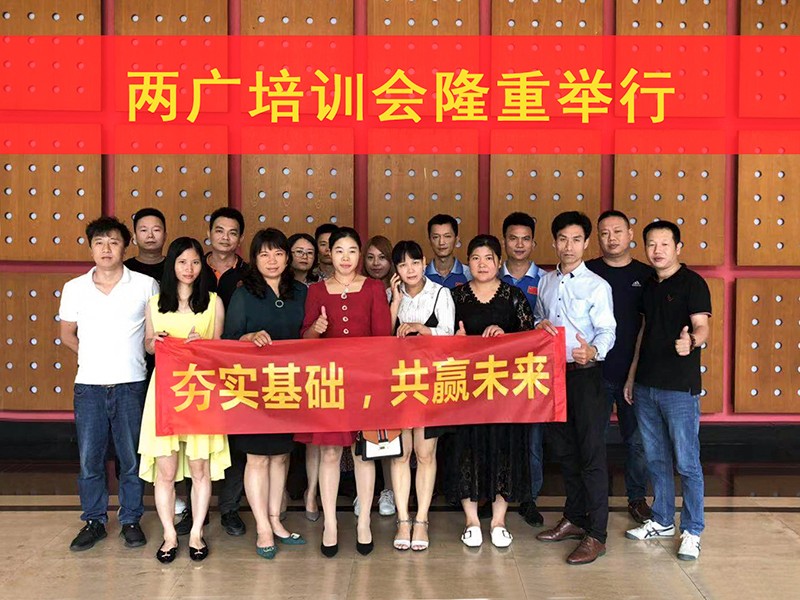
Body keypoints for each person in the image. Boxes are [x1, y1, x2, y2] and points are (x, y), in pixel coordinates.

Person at [59, 216, 158, 552]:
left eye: (113, 242)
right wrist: (92, 355)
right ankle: (94, 521)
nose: (106, 249)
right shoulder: (74, 288)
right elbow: (66, 334)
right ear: (90, 248)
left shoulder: (145, 285)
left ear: (125, 247)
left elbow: (152, 336)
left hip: (131, 384)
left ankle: (130, 519)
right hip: (89, 386)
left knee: (131, 459)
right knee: (91, 459)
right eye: (99, 242)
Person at [298, 227, 392, 558]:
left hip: (365, 383)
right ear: (330, 254)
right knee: (329, 454)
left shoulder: (374, 288)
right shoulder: (317, 290)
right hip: (330, 383)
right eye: (339, 250)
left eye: (352, 251)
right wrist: (316, 329)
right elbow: (305, 338)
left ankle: (364, 522)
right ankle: (331, 524)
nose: (346, 257)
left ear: (359, 254)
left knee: (364, 453)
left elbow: (383, 337)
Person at [138, 237, 229, 563]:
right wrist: (156, 342)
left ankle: (196, 533)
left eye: (194, 262)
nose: (189, 268)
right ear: (171, 266)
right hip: (165, 393)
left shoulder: (213, 303)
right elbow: (148, 345)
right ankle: (169, 535)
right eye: (182, 262)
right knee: (165, 470)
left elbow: (219, 349)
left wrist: (201, 345)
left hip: (200, 393)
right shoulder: (154, 304)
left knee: (199, 468)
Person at [624, 221, 710, 562]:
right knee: (655, 458)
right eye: (651, 244)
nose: (657, 250)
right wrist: (632, 376)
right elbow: (643, 332)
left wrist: (692, 341)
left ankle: (692, 530)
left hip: (679, 388)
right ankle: (661, 520)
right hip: (646, 385)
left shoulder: (693, 283)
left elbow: (702, 326)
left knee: (687, 462)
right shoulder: (648, 285)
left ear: (678, 248)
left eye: (664, 244)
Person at [534, 211, 616, 565]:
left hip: (586, 375)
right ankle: (574, 517)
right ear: (554, 242)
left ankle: (596, 534)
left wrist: (593, 350)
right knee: (565, 452)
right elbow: (540, 317)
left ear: (586, 243)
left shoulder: (597, 286)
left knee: (591, 454)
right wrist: (539, 323)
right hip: (554, 376)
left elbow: (608, 330)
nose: (569, 246)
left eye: (576, 239)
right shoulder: (547, 282)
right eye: (563, 239)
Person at [223, 228, 309, 559]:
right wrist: (247, 338)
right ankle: (262, 527)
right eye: (264, 254)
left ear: (287, 258)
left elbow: (308, 337)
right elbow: (229, 339)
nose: (272, 260)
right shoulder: (244, 294)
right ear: (255, 259)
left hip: (290, 387)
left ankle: (276, 520)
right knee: (257, 458)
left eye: (278, 253)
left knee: (281, 456)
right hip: (254, 390)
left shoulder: (300, 292)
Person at [447, 234, 533, 549]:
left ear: (499, 262)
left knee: (503, 448)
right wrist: (455, 340)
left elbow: (530, 341)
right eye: (475, 258)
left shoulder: (514, 296)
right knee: (466, 449)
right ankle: (471, 520)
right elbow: (439, 341)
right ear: (467, 263)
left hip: (504, 392)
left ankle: (498, 520)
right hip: (466, 391)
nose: (482, 264)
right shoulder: (455, 296)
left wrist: (506, 336)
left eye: (488, 258)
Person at [177, 207, 248, 538]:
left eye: (232, 232)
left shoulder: (249, 273)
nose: (225, 238)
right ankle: (196, 512)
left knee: (234, 441)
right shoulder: (192, 267)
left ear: (240, 238)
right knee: (193, 441)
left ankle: (230, 508)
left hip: (236, 368)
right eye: (219, 230)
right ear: (209, 234)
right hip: (195, 372)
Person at [387, 240, 456, 551]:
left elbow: (450, 337)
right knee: (401, 454)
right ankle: (403, 519)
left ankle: (422, 520)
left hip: (430, 384)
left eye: (415, 262)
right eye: (403, 265)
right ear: (396, 270)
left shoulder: (441, 294)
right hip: (398, 384)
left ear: (424, 262)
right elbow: (379, 336)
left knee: (425, 454)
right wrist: (395, 302)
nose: (410, 269)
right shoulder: (391, 295)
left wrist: (421, 328)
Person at [586, 210, 654, 524]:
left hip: (635, 374)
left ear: (630, 235)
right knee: (592, 441)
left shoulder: (647, 275)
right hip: (594, 372)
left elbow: (650, 326)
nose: (611, 238)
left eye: (617, 231)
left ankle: (637, 498)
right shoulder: (587, 272)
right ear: (596, 238)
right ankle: (592, 501)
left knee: (637, 442)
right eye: (604, 233)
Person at [499, 211, 548, 529]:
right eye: (513, 238)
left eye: (525, 239)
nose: (519, 244)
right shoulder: (490, 274)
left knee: (532, 439)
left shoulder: (546, 280)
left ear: (533, 242)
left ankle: (530, 498)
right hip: (495, 372)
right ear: (504, 241)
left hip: (532, 372)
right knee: (499, 435)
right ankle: (495, 494)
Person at [360, 234, 397, 518]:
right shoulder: (358, 287)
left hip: (393, 371)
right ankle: (364, 492)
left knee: (389, 434)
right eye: (370, 257)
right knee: (363, 433)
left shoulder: (401, 287)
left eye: (382, 257)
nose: (376, 263)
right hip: (363, 370)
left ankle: (389, 490)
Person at [287, 232, 321, 520]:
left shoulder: (321, 284)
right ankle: (282, 492)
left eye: (310, 252)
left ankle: (312, 491)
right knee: (283, 436)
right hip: (284, 368)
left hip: (315, 368)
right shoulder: (280, 284)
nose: (304, 257)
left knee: (312, 436)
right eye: (299, 251)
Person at [425, 214, 472, 289]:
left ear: (456, 240)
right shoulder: (420, 275)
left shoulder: (469, 274)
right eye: (436, 237)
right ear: (429, 241)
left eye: (447, 236)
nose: (441, 242)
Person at [124, 207, 167, 282]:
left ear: (165, 236)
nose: (150, 235)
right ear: (135, 237)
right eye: (144, 230)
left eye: (156, 230)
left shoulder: (176, 267)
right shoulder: (125, 269)